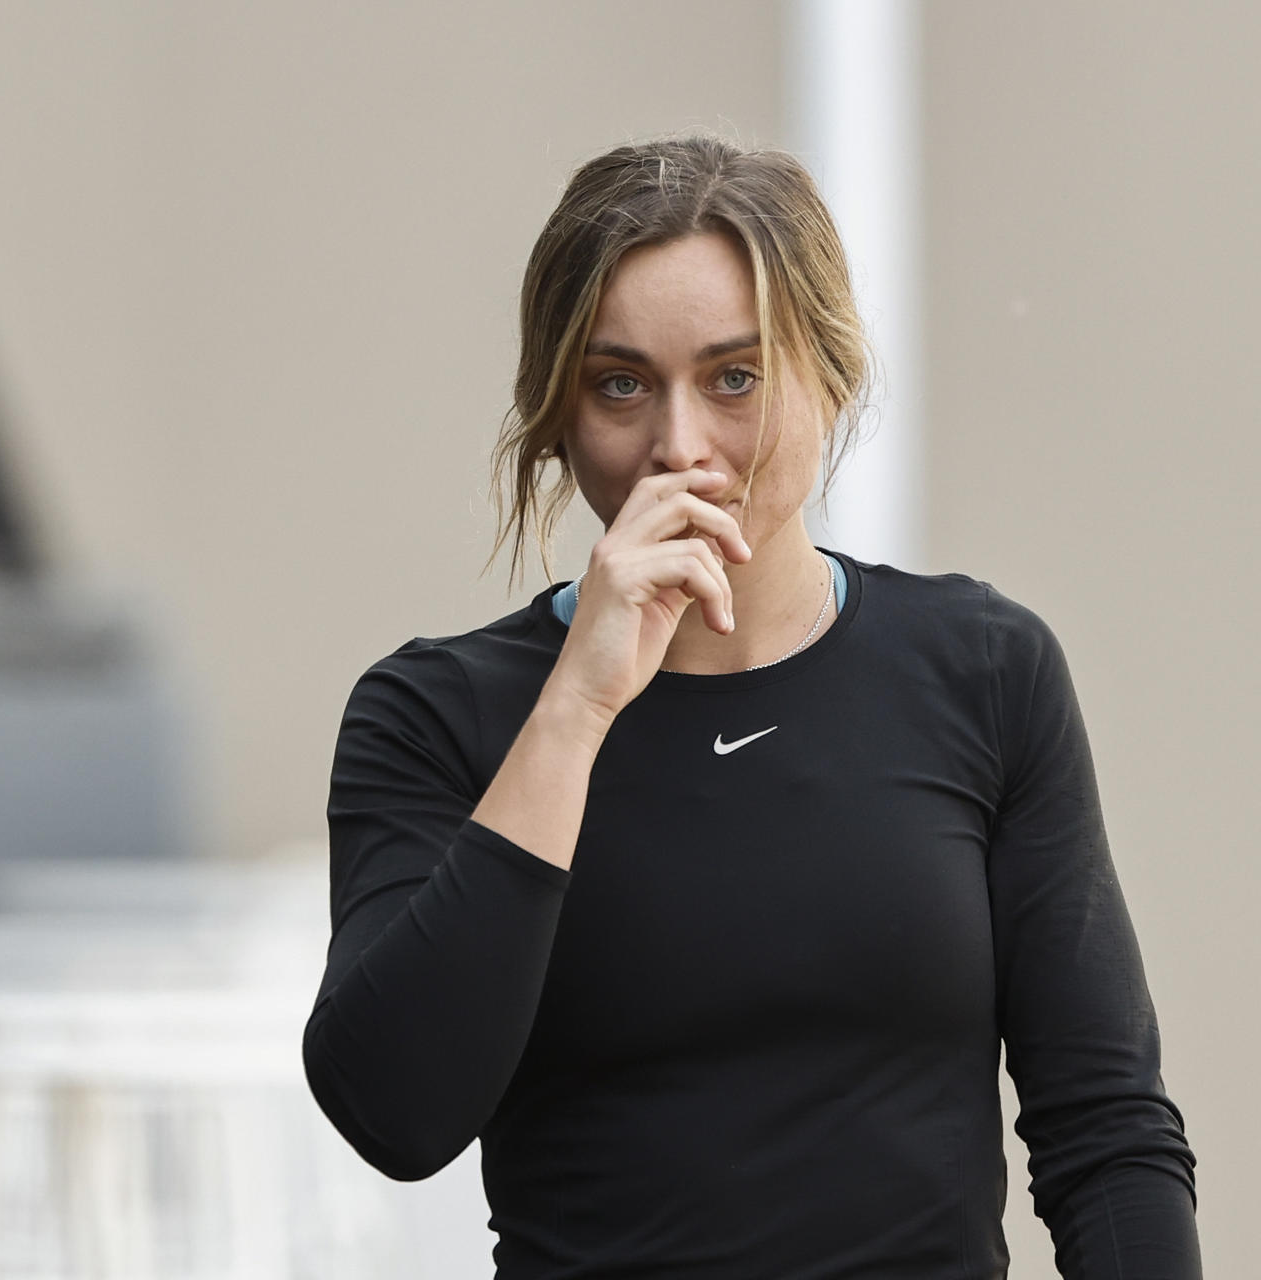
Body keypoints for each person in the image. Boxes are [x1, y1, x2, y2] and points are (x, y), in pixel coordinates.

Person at [301, 133, 1200, 1279]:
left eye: (736, 376)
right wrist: (578, 702)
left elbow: (1106, 1127)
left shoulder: (983, 667)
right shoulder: (438, 715)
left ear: (830, 375)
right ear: (560, 410)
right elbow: (394, 1110)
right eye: (620, 383)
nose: (682, 446)